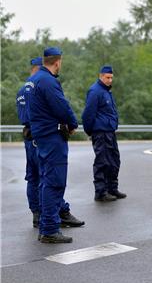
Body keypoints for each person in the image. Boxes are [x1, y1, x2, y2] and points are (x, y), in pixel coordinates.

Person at [26, 47, 84, 243]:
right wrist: (73, 123)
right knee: (54, 182)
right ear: (58, 62)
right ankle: (50, 229)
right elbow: (61, 106)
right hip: (52, 138)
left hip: (41, 137)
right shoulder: (48, 81)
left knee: (44, 181)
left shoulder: (33, 81)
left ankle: (46, 225)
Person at [82, 65, 126, 202]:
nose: (110, 80)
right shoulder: (95, 91)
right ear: (100, 76)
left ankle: (112, 188)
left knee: (114, 160)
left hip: (110, 132)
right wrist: (90, 130)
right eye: (107, 77)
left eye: (111, 77)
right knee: (102, 161)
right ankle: (100, 192)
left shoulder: (106, 91)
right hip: (100, 133)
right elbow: (88, 114)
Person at [16, 56, 42, 227]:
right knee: (44, 175)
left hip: (27, 135)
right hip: (38, 136)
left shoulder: (21, 90)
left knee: (32, 176)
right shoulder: (36, 88)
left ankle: (35, 213)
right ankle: (47, 213)